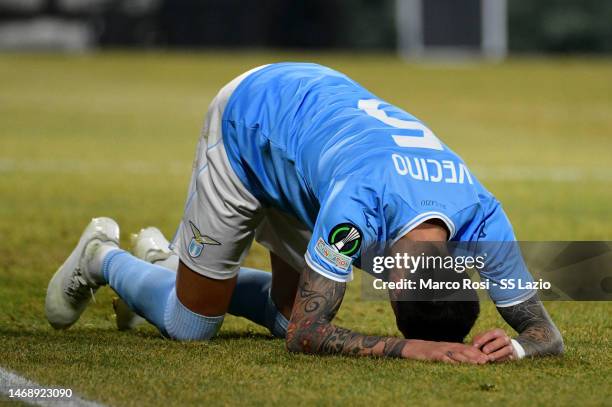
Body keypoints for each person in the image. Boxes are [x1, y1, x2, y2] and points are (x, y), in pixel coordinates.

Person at [45, 63, 563, 363]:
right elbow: (306, 337)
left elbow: (547, 336)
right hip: (252, 125)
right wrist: (411, 349)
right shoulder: (355, 212)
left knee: (285, 309)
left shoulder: (483, 216)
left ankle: (163, 261)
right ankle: (101, 256)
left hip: (318, 146)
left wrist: (515, 348)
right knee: (190, 325)